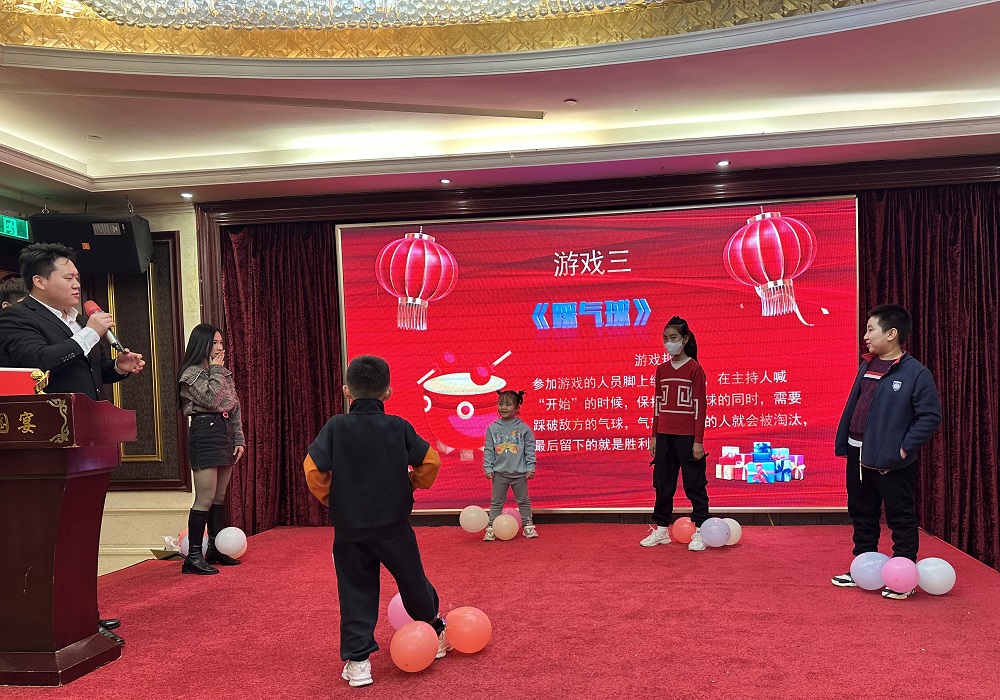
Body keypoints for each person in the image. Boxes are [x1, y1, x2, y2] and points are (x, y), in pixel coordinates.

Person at [0, 242, 145, 643]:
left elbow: (84, 374)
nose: (78, 284)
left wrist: (116, 368)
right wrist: (89, 333)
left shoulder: (75, 321)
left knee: (80, 533)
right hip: (45, 448)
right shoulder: (17, 318)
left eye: (78, 277)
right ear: (39, 281)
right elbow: (39, 363)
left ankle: (81, 614)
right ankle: (57, 620)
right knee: (54, 536)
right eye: (68, 277)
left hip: (86, 441)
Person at [303, 355, 449, 688]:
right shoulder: (398, 426)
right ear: (388, 393)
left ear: (347, 391)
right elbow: (430, 463)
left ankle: (359, 664)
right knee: (413, 581)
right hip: (395, 527)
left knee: (355, 591)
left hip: (349, 532)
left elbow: (313, 469)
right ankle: (436, 634)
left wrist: (334, 499)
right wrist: (409, 485)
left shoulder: (335, 426)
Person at [831, 304, 941, 600]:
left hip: (892, 461)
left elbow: (930, 417)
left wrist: (902, 449)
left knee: (900, 516)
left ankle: (904, 576)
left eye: (871, 329)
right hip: (857, 453)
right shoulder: (868, 364)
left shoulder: (916, 373)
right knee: (861, 513)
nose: (865, 336)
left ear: (891, 334)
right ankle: (862, 568)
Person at [178, 323, 246, 575]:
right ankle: (194, 556)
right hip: (204, 433)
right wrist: (216, 370)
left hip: (224, 432)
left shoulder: (222, 373)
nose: (220, 347)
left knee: (219, 496)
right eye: (214, 343)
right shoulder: (191, 374)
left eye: (220, 342)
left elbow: (233, 406)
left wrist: (238, 438)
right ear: (202, 344)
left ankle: (215, 549)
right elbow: (211, 400)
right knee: (205, 497)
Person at [642, 316, 710, 551]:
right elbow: (658, 405)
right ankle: (662, 530)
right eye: (665, 339)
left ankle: (701, 531)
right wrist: (654, 435)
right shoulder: (661, 369)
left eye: (673, 338)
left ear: (685, 339)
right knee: (663, 484)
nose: (669, 343)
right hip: (664, 436)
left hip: (687, 437)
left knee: (694, 484)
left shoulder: (695, 369)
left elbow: (700, 407)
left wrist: (698, 440)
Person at [482, 389, 537, 541]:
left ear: (517, 407)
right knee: (496, 502)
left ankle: (528, 525)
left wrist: (530, 467)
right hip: (499, 474)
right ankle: (492, 527)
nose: (503, 407)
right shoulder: (492, 428)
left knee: (523, 501)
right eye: (500, 404)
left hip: (519, 474)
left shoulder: (524, 428)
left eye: (508, 404)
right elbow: (488, 450)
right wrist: (488, 467)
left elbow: (530, 449)